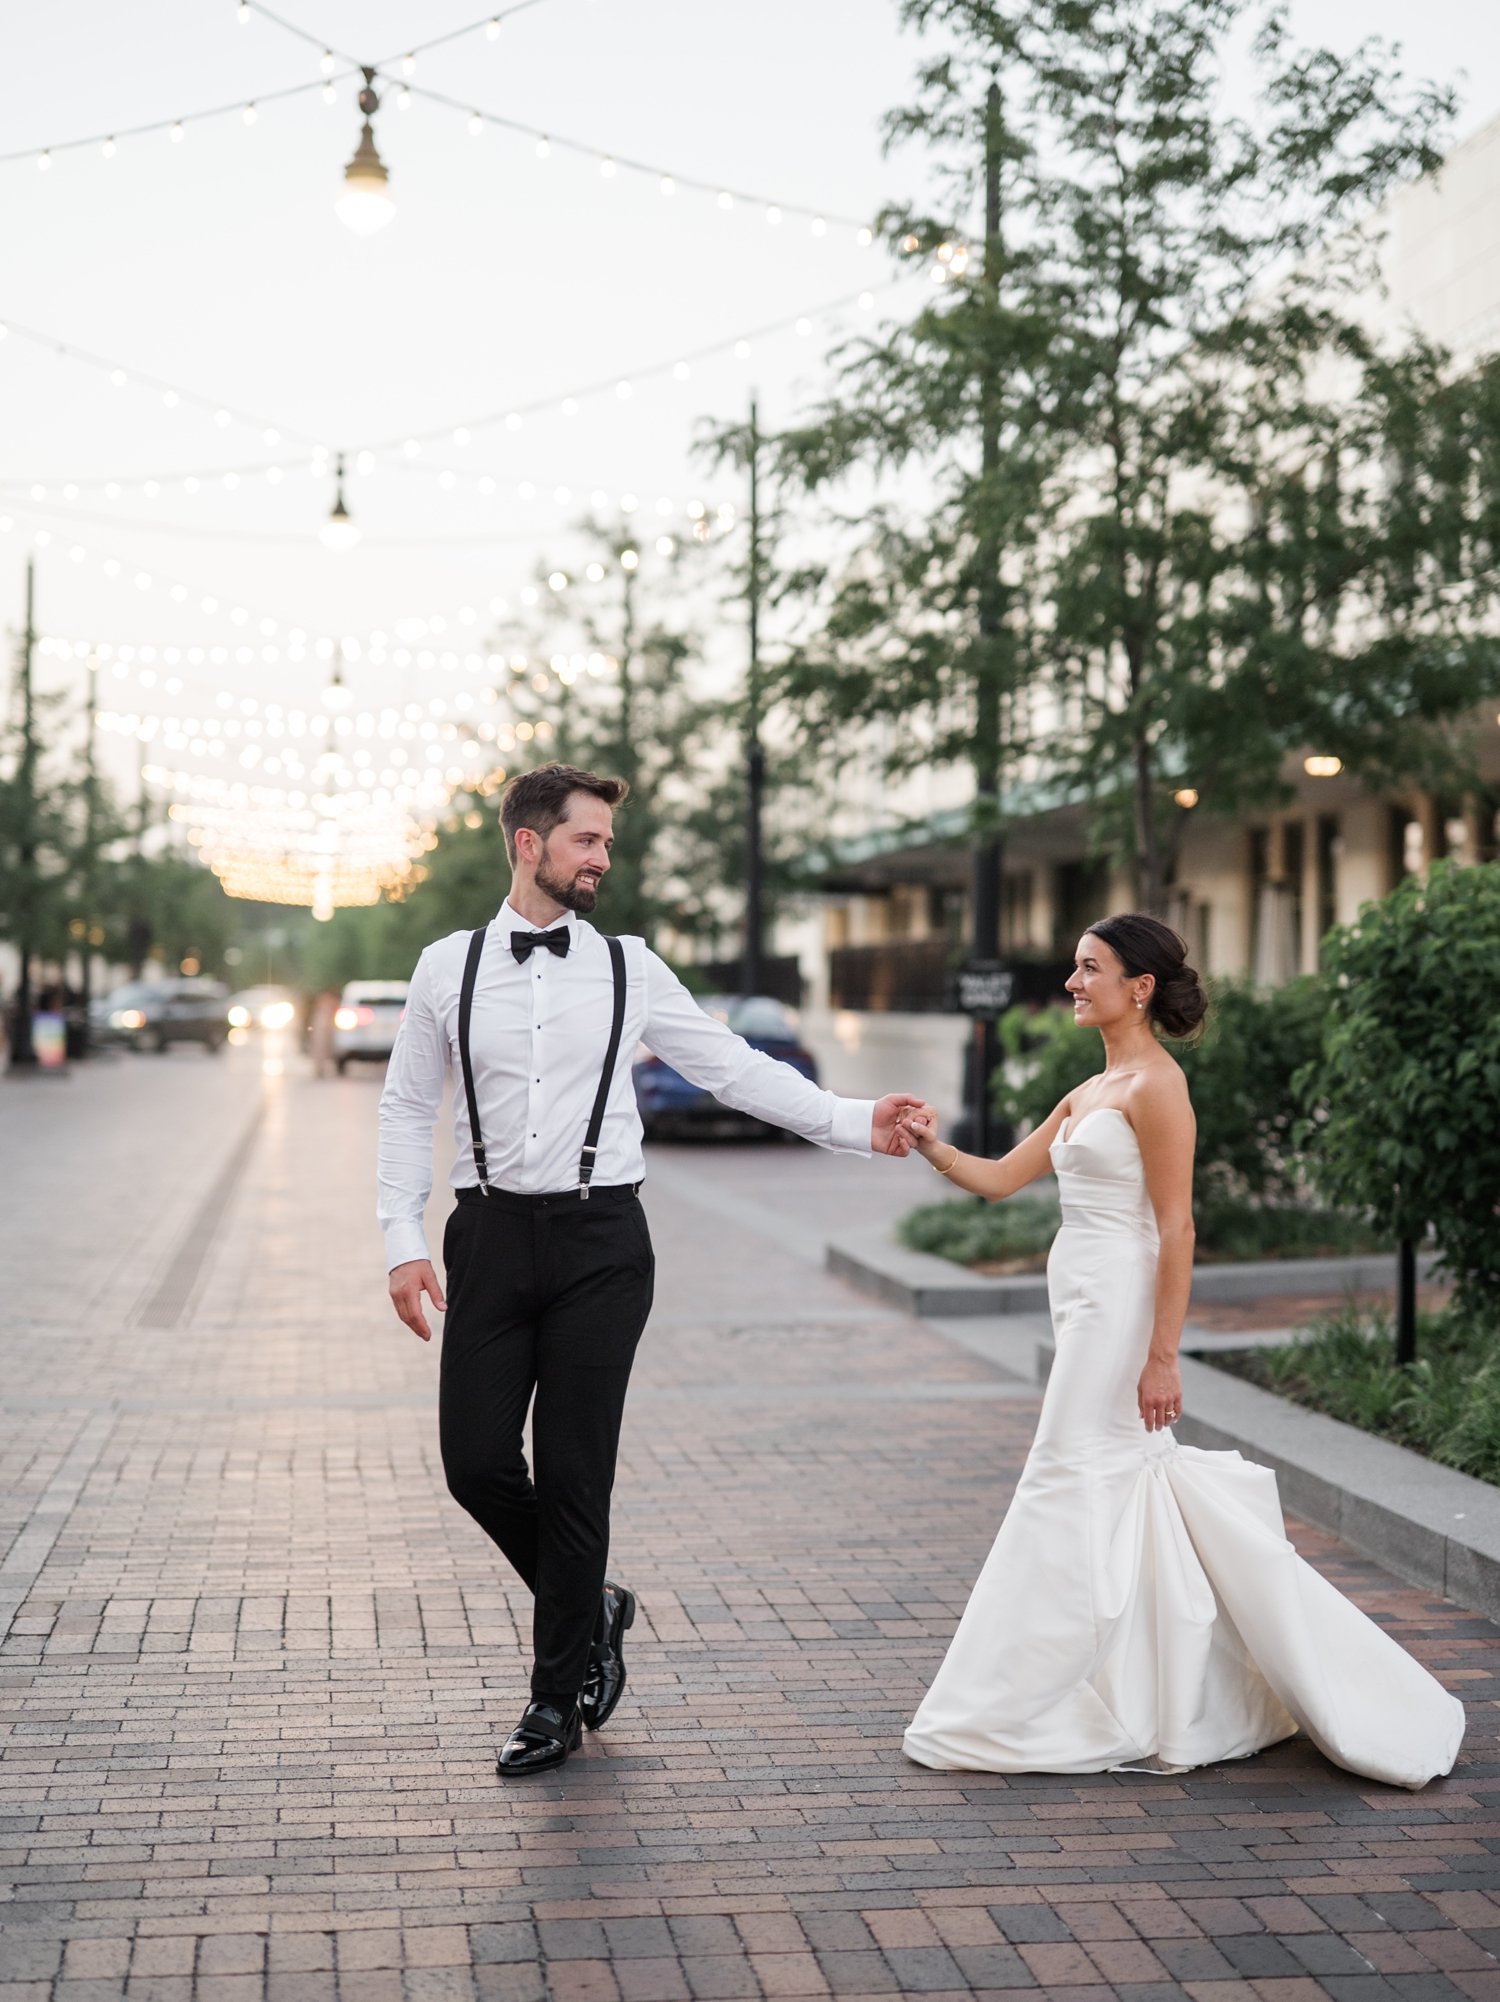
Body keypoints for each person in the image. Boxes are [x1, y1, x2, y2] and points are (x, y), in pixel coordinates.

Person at [378, 762, 923, 1776]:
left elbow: (734, 1069)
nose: (603, 861)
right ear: (529, 843)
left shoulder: (629, 967)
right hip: (487, 1236)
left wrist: (856, 1121)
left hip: (601, 1247)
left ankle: (555, 1702)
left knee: (578, 1475)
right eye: (588, 841)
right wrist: (400, 1238)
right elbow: (409, 1106)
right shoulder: (445, 966)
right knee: (478, 1461)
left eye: (608, 846)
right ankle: (593, 1603)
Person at [896, 913, 1464, 1790]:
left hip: (1121, 1306)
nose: (1073, 983)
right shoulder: (1092, 1089)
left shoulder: (1157, 1087)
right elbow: (1003, 1176)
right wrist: (928, 1143)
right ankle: (1155, 1679)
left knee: (1062, 1470)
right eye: (1075, 969)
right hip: (1081, 1298)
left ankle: (1017, 1696)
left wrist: (1165, 1356)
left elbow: (1178, 1228)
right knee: (1112, 1476)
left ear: (1140, 986)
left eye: (1089, 969)